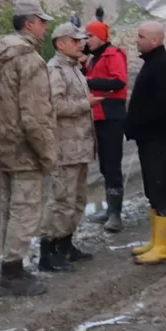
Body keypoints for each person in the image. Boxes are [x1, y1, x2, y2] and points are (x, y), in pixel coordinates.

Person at [0, 0, 57, 296]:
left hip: (1, 145)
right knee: (25, 211)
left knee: (8, 208)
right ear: (29, 23)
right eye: (42, 21)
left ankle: (10, 264)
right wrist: (48, 154)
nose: (46, 27)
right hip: (24, 150)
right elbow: (35, 116)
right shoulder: (30, 60)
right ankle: (12, 274)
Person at [41, 23, 99, 272]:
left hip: (80, 146)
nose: (81, 44)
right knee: (61, 201)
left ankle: (66, 244)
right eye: (75, 41)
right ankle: (48, 252)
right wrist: (85, 103)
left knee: (77, 200)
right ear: (60, 44)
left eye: (81, 40)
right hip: (65, 148)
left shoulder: (74, 68)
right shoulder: (55, 70)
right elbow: (55, 106)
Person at [126, 22, 166, 264]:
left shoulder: (164, 66)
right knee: (152, 190)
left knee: (161, 189)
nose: (136, 39)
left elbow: (161, 106)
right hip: (149, 138)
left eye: (141, 36)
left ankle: (163, 247)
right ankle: (155, 241)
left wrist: (137, 123)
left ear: (154, 41)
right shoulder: (153, 62)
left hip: (159, 138)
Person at [83, 20, 128, 232]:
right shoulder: (95, 58)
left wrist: (89, 82)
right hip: (99, 116)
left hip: (112, 115)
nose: (86, 40)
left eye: (89, 36)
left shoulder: (113, 55)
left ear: (100, 36)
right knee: (104, 165)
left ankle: (116, 215)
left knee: (112, 165)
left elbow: (119, 81)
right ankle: (110, 209)